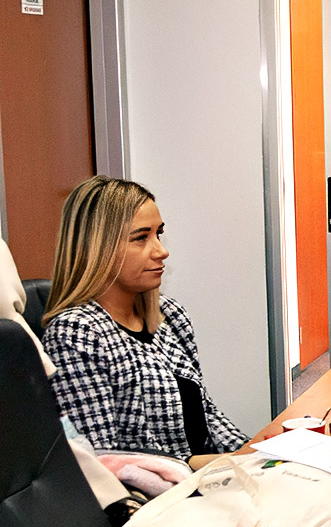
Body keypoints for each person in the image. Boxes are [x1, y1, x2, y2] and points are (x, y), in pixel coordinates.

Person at [43, 176, 249, 462]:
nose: (162, 251)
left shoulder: (170, 315)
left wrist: (252, 453)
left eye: (158, 234)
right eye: (141, 238)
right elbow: (104, 461)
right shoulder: (76, 334)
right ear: (97, 247)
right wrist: (204, 465)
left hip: (209, 475)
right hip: (163, 488)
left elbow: (207, 415)